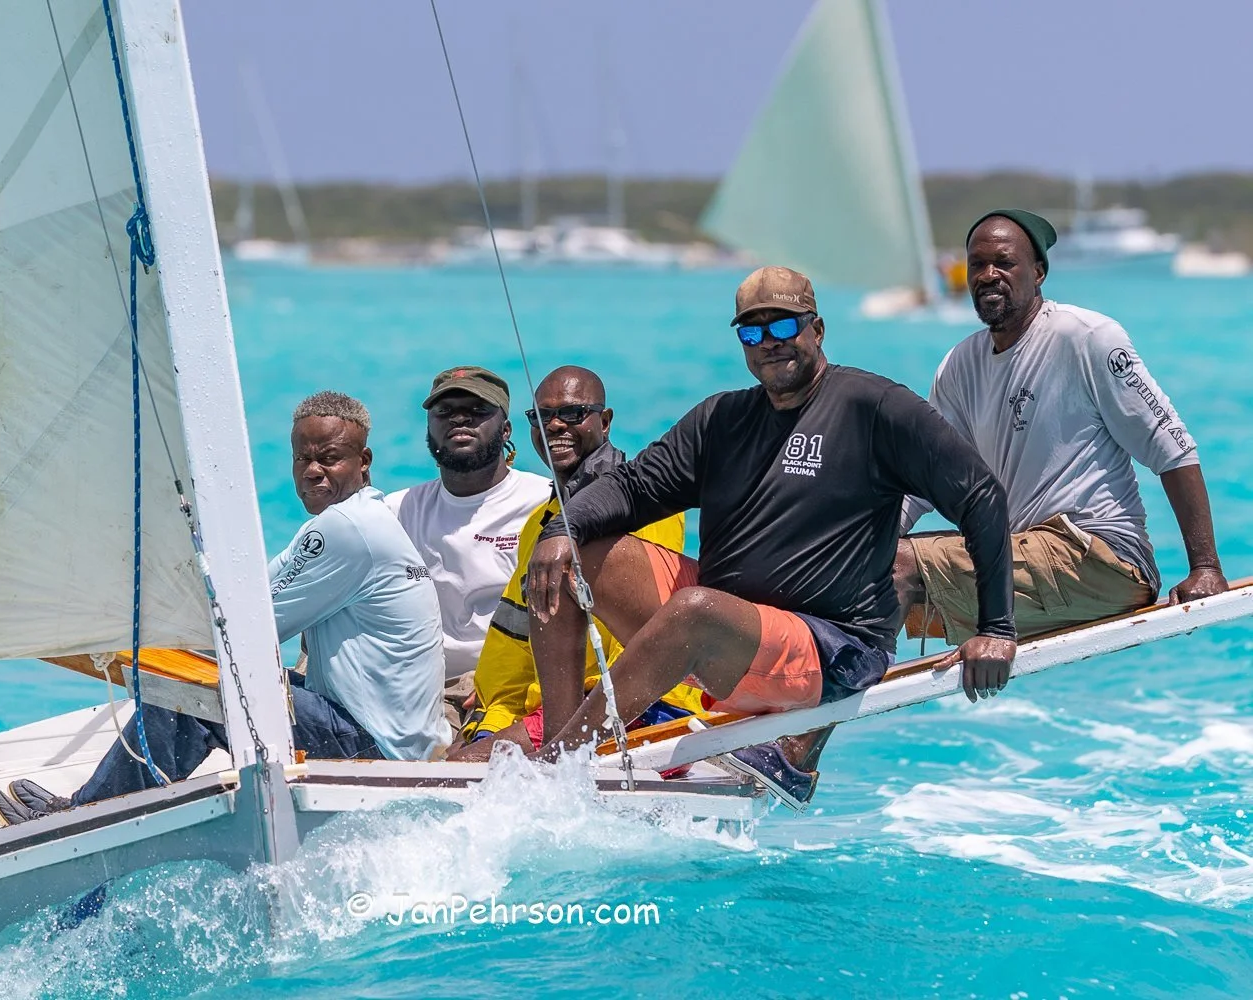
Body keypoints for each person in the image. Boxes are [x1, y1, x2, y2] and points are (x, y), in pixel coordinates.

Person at [524, 266, 1017, 809]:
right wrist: (559, 530)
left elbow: (981, 497)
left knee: (697, 611)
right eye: (751, 332)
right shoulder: (723, 418)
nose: (767, 345)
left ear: (817, 329)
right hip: (731, 629)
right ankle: (564, 746)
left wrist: (996, 628)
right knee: (568, 558)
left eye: (782, 327)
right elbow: (635, 486)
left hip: (831, 647)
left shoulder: (873, 407)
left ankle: (559, 771)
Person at [0, 392, 448, 825]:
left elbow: (238, 628)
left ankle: (89, 817)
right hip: (390, 737)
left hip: (373, 748)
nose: (312, 471)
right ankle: (110, 805)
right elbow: (249, 597)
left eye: (329, 458)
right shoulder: (363, 518)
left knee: (192, 693)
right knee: (203, 678)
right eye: (302, 458)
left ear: (363, 461)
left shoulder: (345, 528)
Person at [894, 209, 1227, 642]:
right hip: (1027, 561)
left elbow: (1173, 447)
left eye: (1004, 263)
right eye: (977, 264)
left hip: (1102, 561)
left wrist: (1205, 568)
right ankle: (803, 680)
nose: (988, 274)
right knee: (868, 563)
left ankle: (851, 682)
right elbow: (922, 480)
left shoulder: (1087, 337)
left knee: (899, 566)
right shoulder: (959, 366)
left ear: (1039, 272)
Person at [448, 366, 705, 760]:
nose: (554, 426)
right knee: (457, 757)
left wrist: (567, 733)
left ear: (604, 421)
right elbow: (512, 651)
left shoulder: (646, 507)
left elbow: (643, 638)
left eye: (572, 414)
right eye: (541, 416)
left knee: (463, 765)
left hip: (640, 709)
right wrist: (490, 723)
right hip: (556, 711)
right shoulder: (540, 525)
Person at [386, 366, 552, 732]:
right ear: (429, 429)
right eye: (444, 412)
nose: (460, 418)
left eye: (478, 411)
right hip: (428, 689)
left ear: (506, 429)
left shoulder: (545, 502)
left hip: (514, 685)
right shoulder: (399, 510)